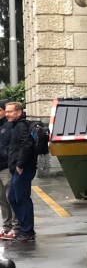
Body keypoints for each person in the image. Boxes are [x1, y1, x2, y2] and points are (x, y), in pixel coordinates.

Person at [6, 102, 38, 243]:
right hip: (17, 169)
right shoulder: (16, 126)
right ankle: (24, 228)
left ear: (19, 112)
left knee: (22, 199)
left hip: (23, 169)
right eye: (6, 111)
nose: (7, 114)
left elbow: (27, 145)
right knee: (13, 198)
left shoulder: (21, 126)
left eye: (10, 111)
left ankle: (28, 231)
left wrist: (20, 164)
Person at [0, 99, 20, 239]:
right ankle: (6, 226)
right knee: (2, 199)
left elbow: (12, 146)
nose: (6, 113)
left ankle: (16, 227)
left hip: (6, 167)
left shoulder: (9, 125)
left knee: (11, 197)